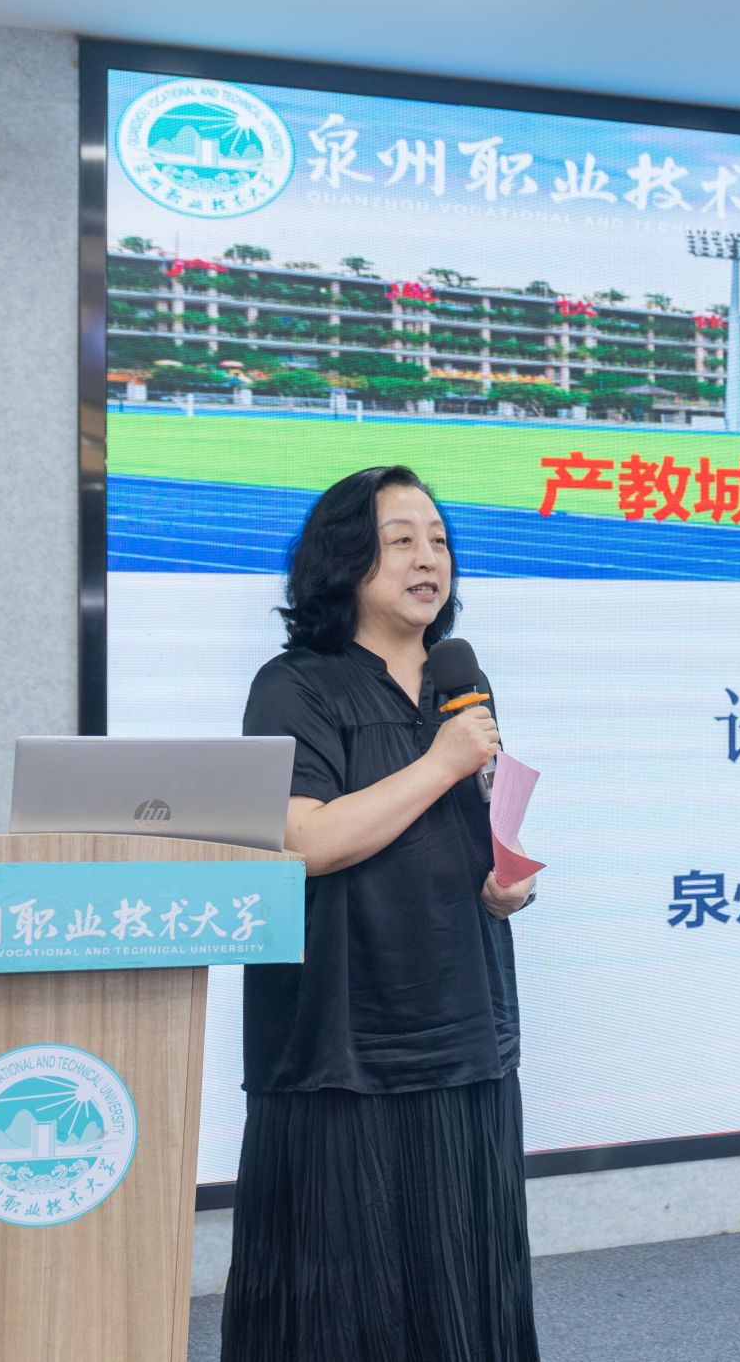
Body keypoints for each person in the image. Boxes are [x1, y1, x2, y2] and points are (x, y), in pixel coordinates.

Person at [220, 465, 541, 1362]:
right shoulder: (295, 686)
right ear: (344, 561)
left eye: (438, 540)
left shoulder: (460, 686)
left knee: (462, 1279)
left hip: (463, 1024)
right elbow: (305, 840)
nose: (427, 557)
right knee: (342, 1294)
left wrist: (504, 879)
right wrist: (440, 760)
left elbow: (475, 825)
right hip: (342, 1039)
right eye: (400, 540)